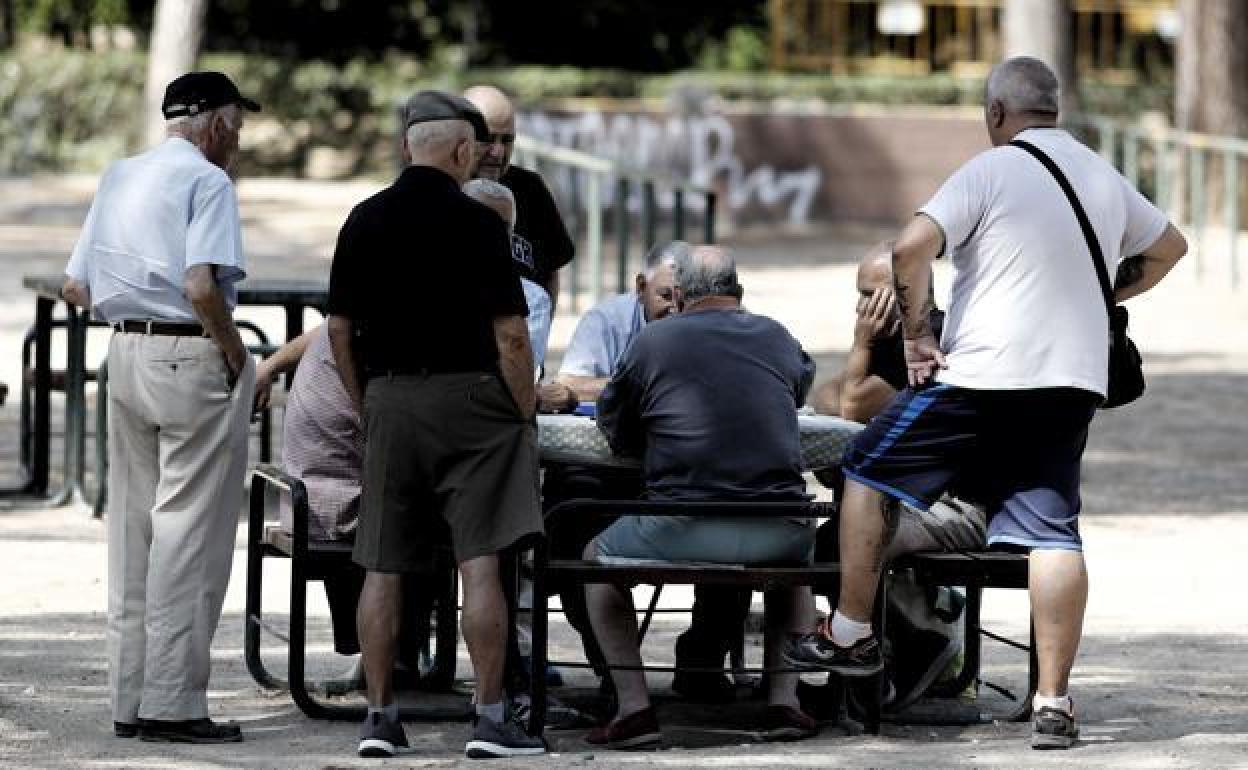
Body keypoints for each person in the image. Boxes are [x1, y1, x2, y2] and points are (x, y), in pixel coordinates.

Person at [782, 57, 1187, 750]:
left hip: (983, 377)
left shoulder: (990, 169)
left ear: (997, 113)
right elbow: (1169, 248)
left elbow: (910, 249)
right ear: (1054, 108)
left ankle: (849, 631)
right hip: (1072, 380)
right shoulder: (1099, 172)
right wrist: (1100, 298)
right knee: (1054, 531)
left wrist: (914, 338)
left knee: (866, 467)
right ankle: (1053, 703)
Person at [326, 90, 545, 759]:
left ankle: (381, 718)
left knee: (382, 564)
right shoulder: (480, 225)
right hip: (474, 403)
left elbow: (337, 330)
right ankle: (487, 718)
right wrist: (524, 407)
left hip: (391, 398)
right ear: (461, 152)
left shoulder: (362, 219)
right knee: (481, 564)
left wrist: (369, 401)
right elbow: (511, 335)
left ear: (404, 149)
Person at [60, 71, 260, 743]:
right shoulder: (208, 182)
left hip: (124, 354)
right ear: (212, 126)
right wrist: (232, 350)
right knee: (188, 534)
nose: (237, 139)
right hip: (189, 353)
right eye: (235, 125)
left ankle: (128, 697)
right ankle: (173, 704)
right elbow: (201, 284)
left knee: (132, 529)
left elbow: (74, 286)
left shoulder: (120, 174)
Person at [585, 245, 821, 748]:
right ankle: (785, 702)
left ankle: (634, 709)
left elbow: (615, 425)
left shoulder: (653, 341)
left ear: (682, 293)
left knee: (595, 563)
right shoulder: (777, 335)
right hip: (778, 530)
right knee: (796, 571)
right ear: (739, 290)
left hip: (681, 527)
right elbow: (799, 391)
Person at [463, 85, 574, 311]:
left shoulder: (530, 189)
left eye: (507, 140)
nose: (498, 152)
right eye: (488, 139)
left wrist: (541, 333)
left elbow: (551, 272)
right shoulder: (439, 190)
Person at [556, 241, 682, 401]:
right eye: (665, 296)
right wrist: (649, 386)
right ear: (641, 288)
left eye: (685, 299)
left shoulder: (704, 317)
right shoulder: (605, 320)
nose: (676, 309)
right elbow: (568, 384)